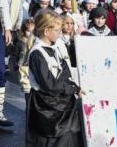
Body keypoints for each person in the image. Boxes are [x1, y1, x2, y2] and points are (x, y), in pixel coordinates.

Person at [26, 10, 83, 147]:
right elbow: (49, 84)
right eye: (57, 30)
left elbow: (65, 73)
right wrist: (71, 89)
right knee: (51, 140)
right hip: (47, 107)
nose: (60, 32)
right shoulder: (37, 54)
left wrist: (76, 87)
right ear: (46, 31)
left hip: (63, 102)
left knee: (70, 138)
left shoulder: (56, 47)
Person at [16, 17, 36, 104]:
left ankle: (32, 107)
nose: (29, 33)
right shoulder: (20, 39)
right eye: (28, 30)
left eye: (31, 31)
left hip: (33, 65)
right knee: (26, 88)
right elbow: (16, 53)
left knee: (34, 88)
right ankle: (28, 107)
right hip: (23, 66)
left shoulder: (36, 39)